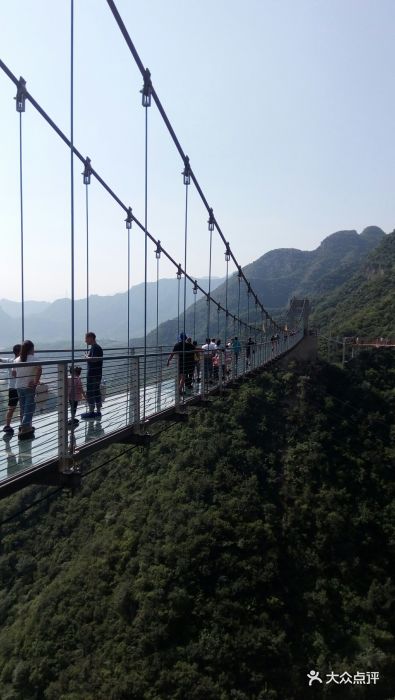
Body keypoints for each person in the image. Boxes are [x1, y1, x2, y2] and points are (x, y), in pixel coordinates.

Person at [14, 340, 42, 438]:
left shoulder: (17, 359)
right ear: (31, 349)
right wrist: (35, 382)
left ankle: (26, 427)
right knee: (29, 408)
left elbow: (14, 373)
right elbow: (39, 369)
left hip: (19, 386)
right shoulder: (35, 359)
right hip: (29, 387)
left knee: (22, 407)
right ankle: (24, 427)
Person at [81, 332, 103, 420]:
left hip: (93, 374)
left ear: (91, 338)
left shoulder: (95, 348)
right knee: (96, 391)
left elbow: (93, 360)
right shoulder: (96, 348)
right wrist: (88, 357)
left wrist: (86, 357)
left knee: (90, 392)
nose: (85, 341)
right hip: (97, 373)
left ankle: (91, 412)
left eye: (86, 338)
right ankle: (98, 411)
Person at [1, 343, 21, 435]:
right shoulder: (22, 361)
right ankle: (24, 425)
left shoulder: (10, 360)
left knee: (11, 407)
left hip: (12, 388)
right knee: (24, 406)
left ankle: (7, 425)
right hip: (21, 387)